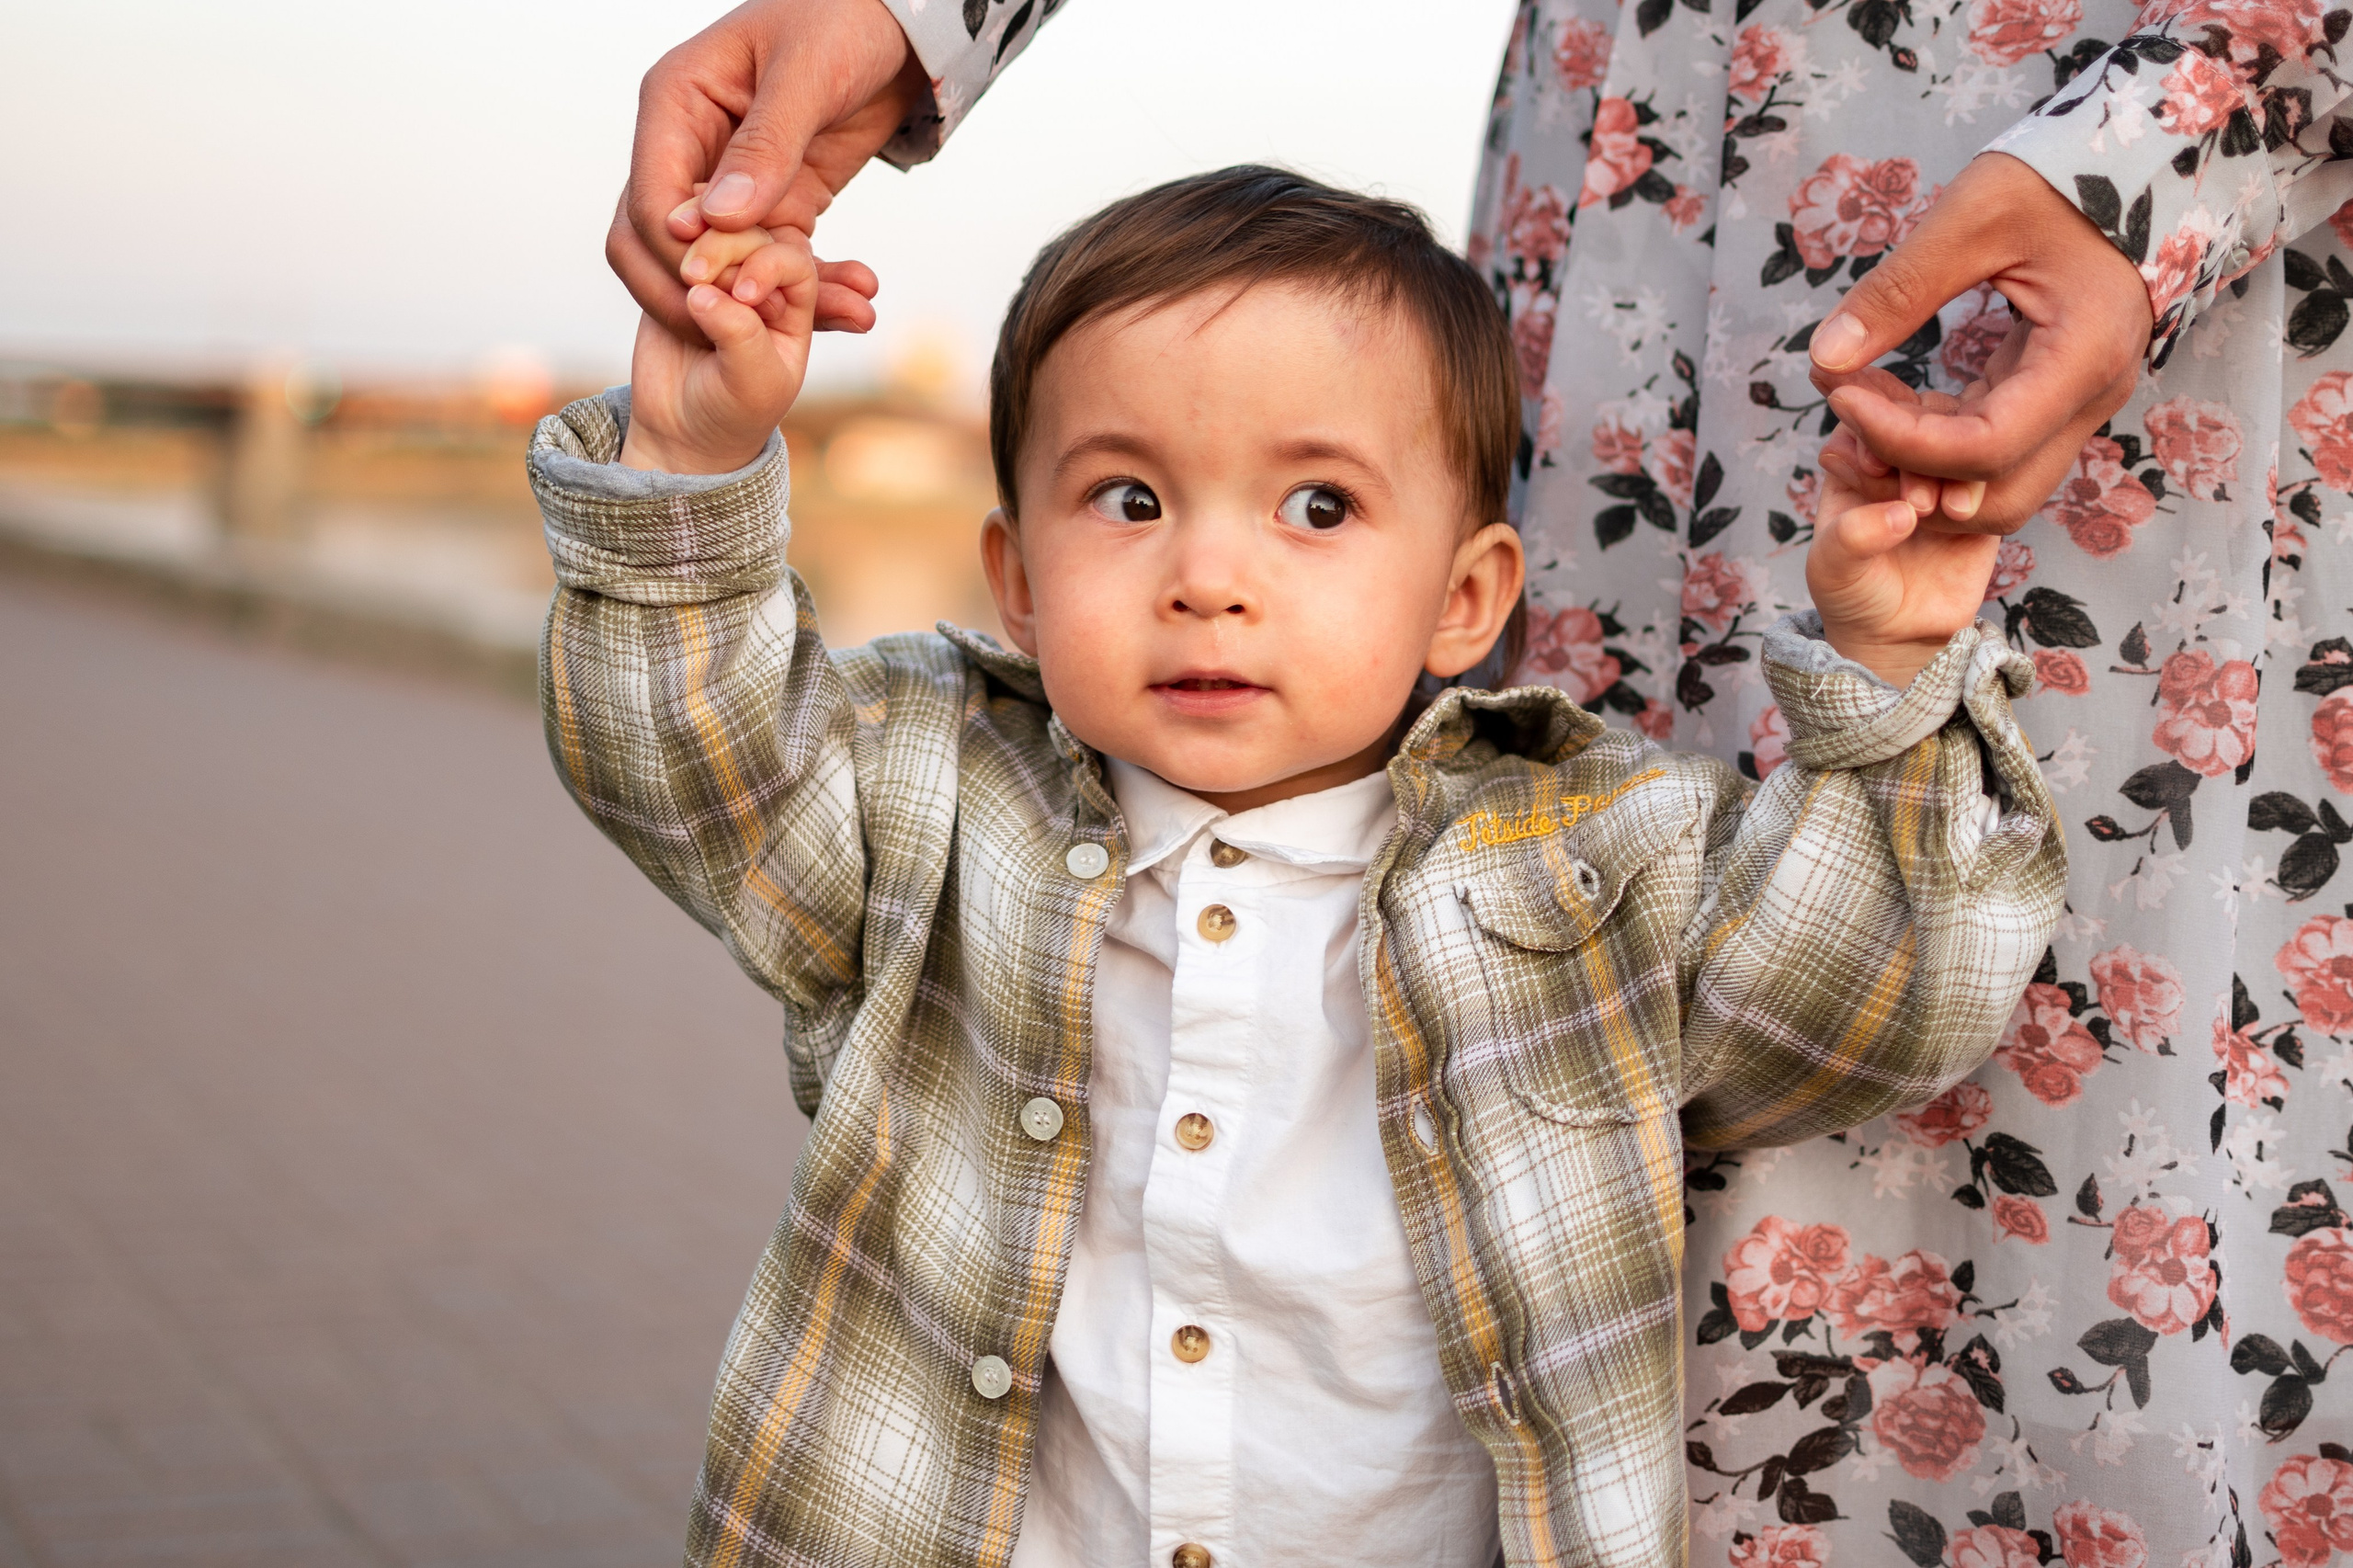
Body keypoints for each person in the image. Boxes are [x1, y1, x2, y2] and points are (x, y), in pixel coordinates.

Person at [617, 1, 2353, 1558]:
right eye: (1128, 499)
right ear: (1013, 574)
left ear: (1469, 598)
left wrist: (1891, 669)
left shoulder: (1582, 859)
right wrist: (693, 457)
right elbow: (694, 772)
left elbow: (1864, 999)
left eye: (1316, 507)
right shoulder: (933, 802)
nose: (1207, 576)